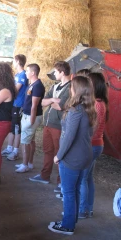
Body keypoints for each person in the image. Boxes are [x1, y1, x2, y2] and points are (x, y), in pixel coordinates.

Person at [48, 76, 96, 235]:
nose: (70, 89)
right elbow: (89, 133)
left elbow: (69, 137)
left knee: (68, 192)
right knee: (75, 189)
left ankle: (67, 226)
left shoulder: (76, 110)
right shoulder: (90, 109)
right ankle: (71, 219)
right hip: (85, 155)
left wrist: (59, 155)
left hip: (72, 157)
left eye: (72, 87)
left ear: (77, 90)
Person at [29, 61, 71, 193]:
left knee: (59, 153)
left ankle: (61, 181)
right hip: (48, 123)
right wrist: (53, 100)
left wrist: (52, 101)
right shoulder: (55, 86)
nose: (54, 74)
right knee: (48, 151)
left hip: (58, 125)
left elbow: (61, 106)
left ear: (62, 72)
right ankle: (44, 175)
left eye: (56, 72)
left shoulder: (70, 88)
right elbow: (42, 102)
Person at [79, 72, 108, 218]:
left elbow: (91, 128)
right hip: (97, 144)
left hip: (91, 144)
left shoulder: (95, 104)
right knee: (88, 177)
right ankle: (88, 208)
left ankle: (83, 210)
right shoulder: (101, 102)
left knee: (82, 178)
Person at [15, 64, 45, 173]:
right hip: (28, 115)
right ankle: (29, 163)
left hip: (31, 116)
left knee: (25, 142)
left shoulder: (37, 86)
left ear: (33, 72)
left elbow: (34, 105)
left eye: (27, 71)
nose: (26, 72)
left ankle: (25, 165)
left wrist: (31, 121)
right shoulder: (32, 84)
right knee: (30, 140)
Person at [1, 54, 28, 161]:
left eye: (14, 60)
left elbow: (15, 90)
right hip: (14, 104)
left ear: (18, 61)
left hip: (19, 104)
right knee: (12, 127)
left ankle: (15, 151)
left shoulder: (23, 75)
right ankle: (9, 147)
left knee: (17, 128)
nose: (13, 62)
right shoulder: (17, 74)